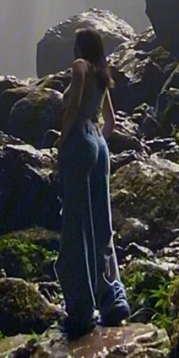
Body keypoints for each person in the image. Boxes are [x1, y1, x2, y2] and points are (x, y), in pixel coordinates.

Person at [55, 27, 131, 337]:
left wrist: (64, 137)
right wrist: (96, 139)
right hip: (101, 145)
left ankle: (81, 310)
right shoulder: (102, 74)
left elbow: (73, 106)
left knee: (76, 226)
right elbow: (111, 120)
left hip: (81, 138)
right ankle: (113, 299)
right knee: (102, 223)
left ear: (80, 48)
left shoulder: (81, 67)